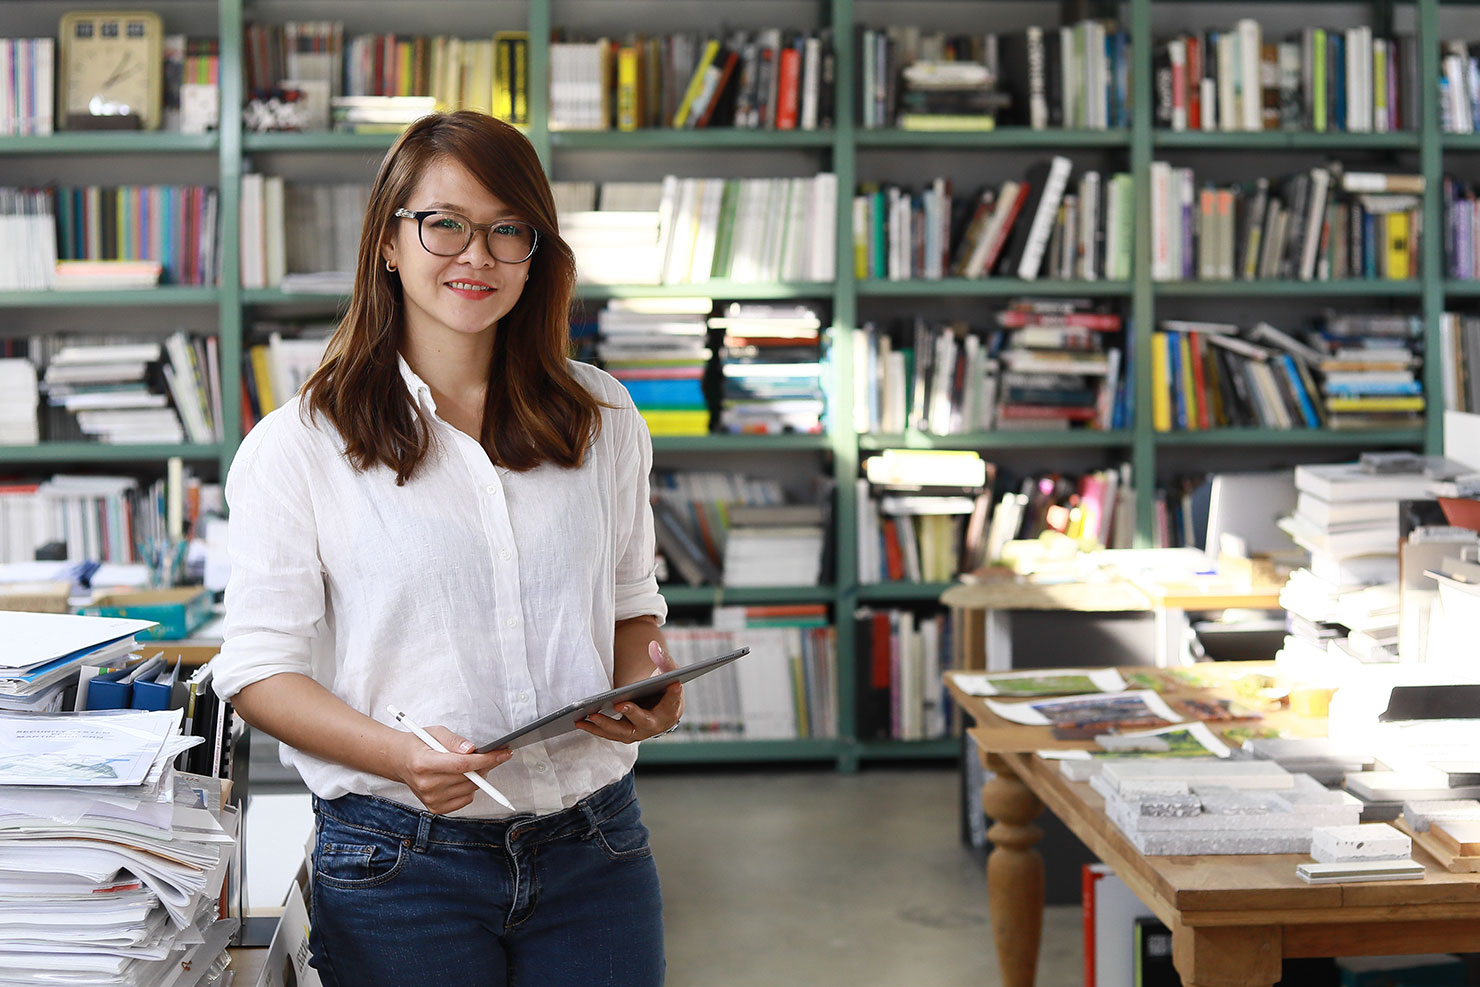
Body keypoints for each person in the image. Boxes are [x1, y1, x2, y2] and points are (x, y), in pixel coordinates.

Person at [213, 110, 678, 987]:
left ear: (537, 252)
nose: (478, 255)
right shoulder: (298, 445)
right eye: (445, 224)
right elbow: (259, 672)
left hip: (595, 843)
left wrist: (650, 691)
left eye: (509, 229)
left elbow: (629, 602)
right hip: (399, 863)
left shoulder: (602, 414)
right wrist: (402, 757)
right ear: (389, 240)